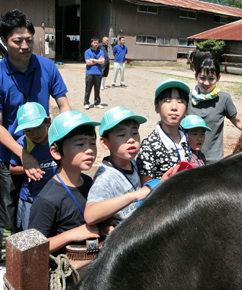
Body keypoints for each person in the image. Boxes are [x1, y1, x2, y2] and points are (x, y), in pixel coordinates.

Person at [0, 10, 71, 287]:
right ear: (4, 41)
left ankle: (46, 253)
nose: (24, 46)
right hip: (13, 154)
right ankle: (5, 261)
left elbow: (64, 105)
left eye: (29, 39)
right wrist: (23, 154)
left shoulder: (47, 67)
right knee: (8, 208)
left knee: (47, 204)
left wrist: (66, 139)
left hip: (46, 154)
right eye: (17, 40)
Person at [84, 106, 173, 234]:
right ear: (104, 143)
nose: (131, 139)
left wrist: (162, 182)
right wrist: (134, 196)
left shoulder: (132, 163)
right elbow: (90, 215)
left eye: (134, 133)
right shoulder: (106, 177)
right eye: (121, 134)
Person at [28, 110, 100, 254]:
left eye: (92, 143)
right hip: (66, 270)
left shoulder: (88, 182)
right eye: (80, 144)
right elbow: (33, 247)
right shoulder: (47, 200)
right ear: (56, 152)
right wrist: (69, 235)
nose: (89, 150)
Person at [188, 57, 242, 164]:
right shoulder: (186, 99)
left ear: (218, 78)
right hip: (188, 158)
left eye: (211, 78)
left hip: (214, 161)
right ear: (195, 75)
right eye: (202, 78)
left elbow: (239, 122)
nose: (206, 83)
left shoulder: (223, 99)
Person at [9, 102, 55, 231]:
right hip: (31, 198)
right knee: (31, 232)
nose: (34, 134)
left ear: (47, 122)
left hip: (54, 195)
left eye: (38, 127)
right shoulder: (23, 143)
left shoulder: (56, 140)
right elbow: (12, 168)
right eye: (28, 130)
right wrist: (27, 168)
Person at [137, 79, 191, 183]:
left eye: (180, 102)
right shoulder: (149, 145)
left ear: (187, 108)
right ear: (156, 107)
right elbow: (146, 187)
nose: (174, 107)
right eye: (167, 101)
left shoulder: (185, 135)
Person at [84, 37, 105, 110]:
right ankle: (86, 103)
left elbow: (102, 61)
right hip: (89, 73)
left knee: (97, 89)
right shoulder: (87, 52)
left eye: (97, 43)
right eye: (94, 43)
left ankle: (97, 103)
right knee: (88, 89)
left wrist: (93, 60)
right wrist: (97, 61)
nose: (96, 44)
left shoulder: (101, 51)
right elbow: (88, 62)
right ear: (91, 43)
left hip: (98, 73)